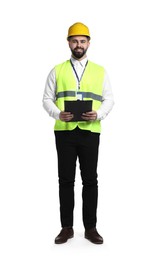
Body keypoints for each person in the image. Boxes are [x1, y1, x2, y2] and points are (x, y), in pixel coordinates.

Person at [42, 22, 114, 244]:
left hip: (90, 131)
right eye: (74, 40)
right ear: (68, 43)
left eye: (82, 41)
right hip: (64, 132)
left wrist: (99, 114)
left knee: (90, 180)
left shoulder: (100, 71)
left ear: (89, 43)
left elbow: (109, 99)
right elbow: (46, 99)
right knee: (65, 180)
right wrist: (57, 114)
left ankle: (90, 228)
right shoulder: (57, 70)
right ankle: (67, 228)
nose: (78, 44)